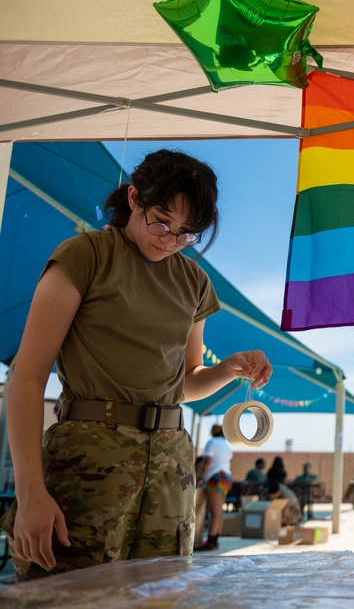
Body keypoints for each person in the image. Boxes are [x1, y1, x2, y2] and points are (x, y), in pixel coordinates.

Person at [0, 149, 273, 581]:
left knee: (160, 595)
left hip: (170, 472)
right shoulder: (86, 256)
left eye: (187, 234)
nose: (169, 239)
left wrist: (229, 369)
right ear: (133, 198)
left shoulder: (194, 281)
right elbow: (27, 377)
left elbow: (183, 385)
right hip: (88, 465)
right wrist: (31, 493)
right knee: (68, 595)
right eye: (162, 221)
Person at [193, 424, 233, 552]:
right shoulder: (227, 445)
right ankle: (214, 541)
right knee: (218, 511)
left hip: (216, 477)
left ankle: (210, 542)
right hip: (226, 477)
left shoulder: (212, 442)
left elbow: (208, 461)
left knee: (214, 512)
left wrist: (201, 478)